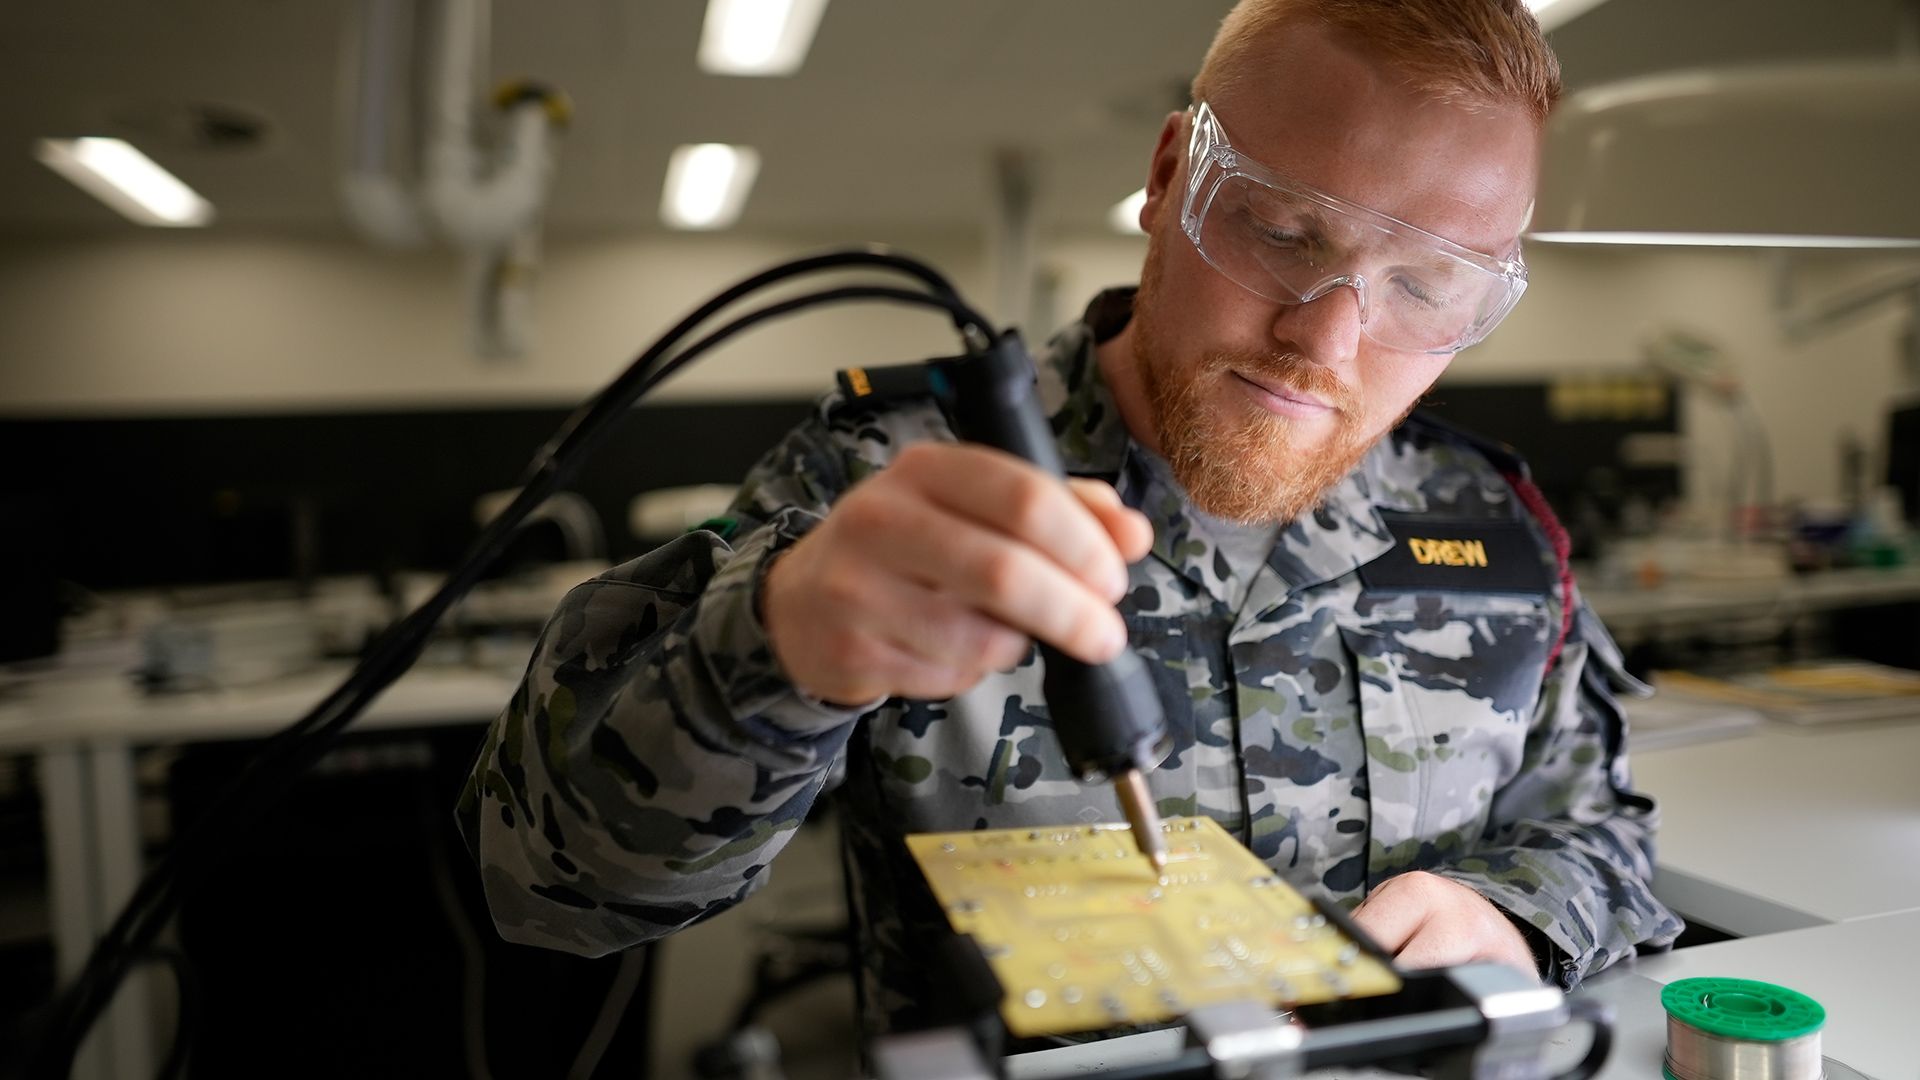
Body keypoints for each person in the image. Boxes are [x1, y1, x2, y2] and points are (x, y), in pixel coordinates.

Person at [457, 0, 1683, 1036]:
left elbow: (1602, 834)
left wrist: (1516, 915)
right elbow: (547, 889)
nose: (1326, 339)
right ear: (1167, 179)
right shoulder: (895, 484)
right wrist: (774, 648)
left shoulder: (1490, 520)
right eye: (1282, 229)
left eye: (1426, 285)